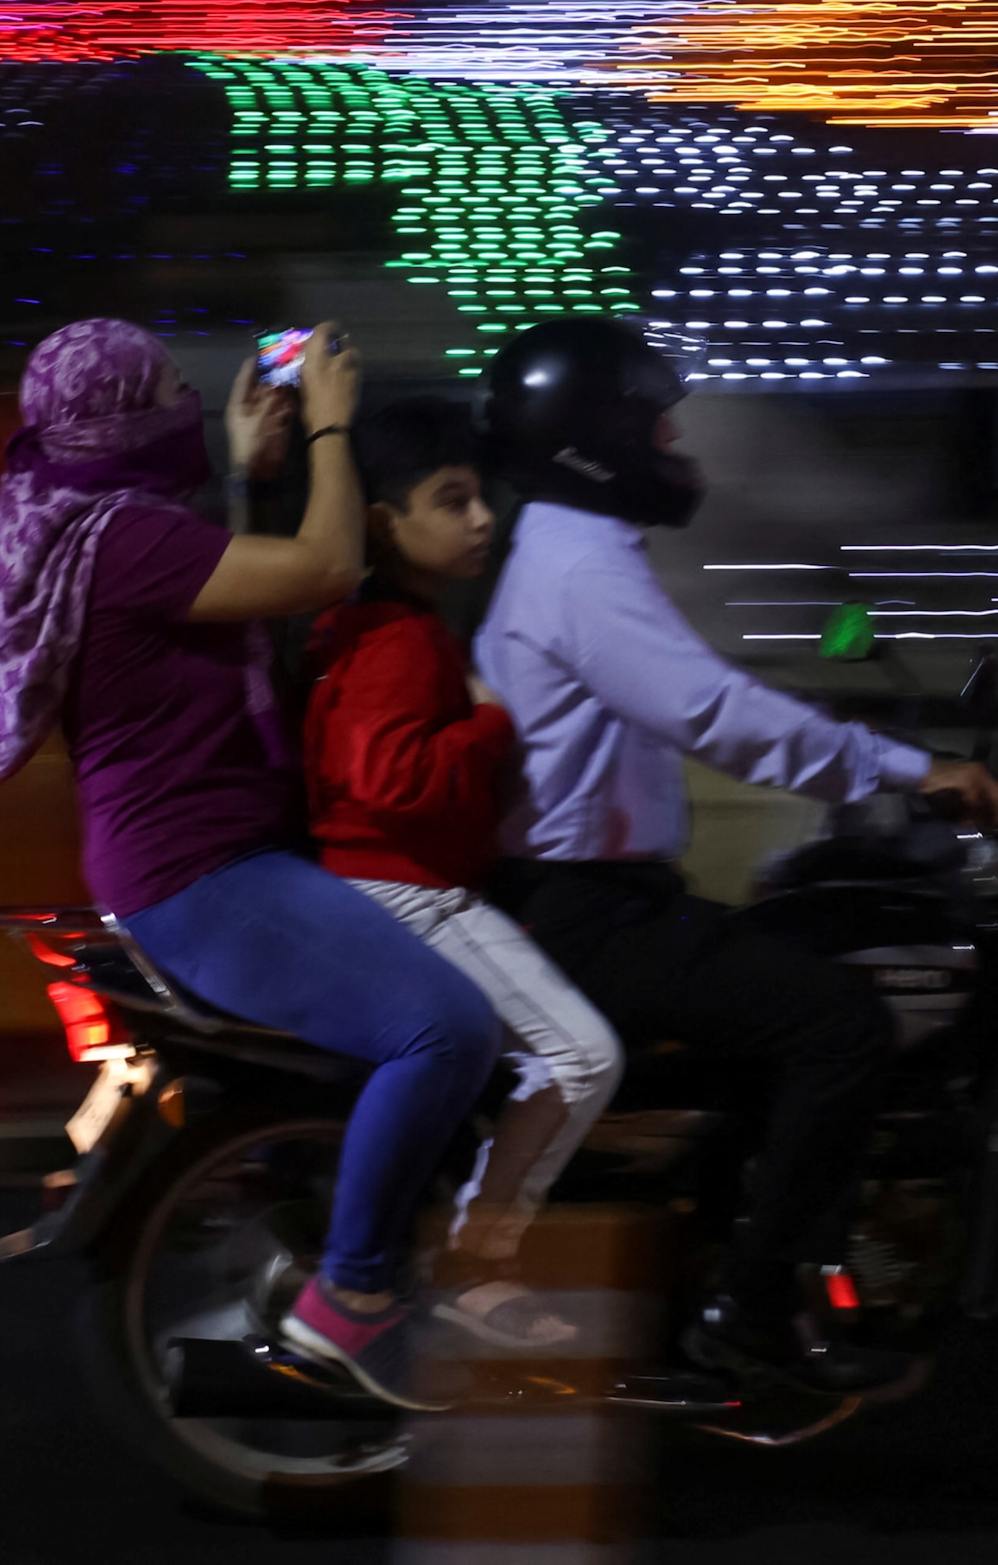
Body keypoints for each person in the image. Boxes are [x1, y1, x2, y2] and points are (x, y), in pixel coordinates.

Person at [0, 318, 495, 1409]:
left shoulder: (104, 523)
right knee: (445, 1030)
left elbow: (224, 602)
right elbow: (326, 567)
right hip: (207, 874)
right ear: (121, 420)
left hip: (203, 855)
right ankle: (353, 1298)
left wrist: (252, 470)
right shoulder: (120, 538)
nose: (181, 404)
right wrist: (333, 420)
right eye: (161, 390)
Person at [470, 318, 998, 1395]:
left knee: (782, 971)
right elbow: (710, 709)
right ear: (596, 438)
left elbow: (700, 700)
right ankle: (752, 1313)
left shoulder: (578, 550)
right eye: (654, 419)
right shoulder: (575, 562)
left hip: (594, 897)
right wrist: (904, 769)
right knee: (840, 1024)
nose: (674, 439)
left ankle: (750, 1258)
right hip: (585, 911)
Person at [302, 391, 625, 1346]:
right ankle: (481, 1259)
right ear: (382, 522)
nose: (482, 518)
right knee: (580, 1056)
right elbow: (391, 778)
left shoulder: (356, 626)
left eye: (481, 496)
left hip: (384, 881)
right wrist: (488, 723)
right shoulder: (403, 639)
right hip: (407, 890)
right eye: (451, 500)